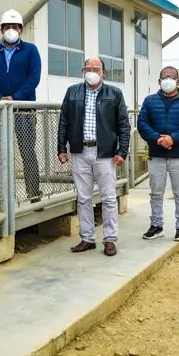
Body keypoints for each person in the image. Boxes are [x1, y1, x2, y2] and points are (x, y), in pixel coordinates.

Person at [57, 57, 130, 256]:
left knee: (108, 198)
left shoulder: (114, 93)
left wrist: (122, 151)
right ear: (82, 71)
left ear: (103, 72)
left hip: (105, 153)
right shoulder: (73, 92)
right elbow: (64, 120)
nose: (91, 71)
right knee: (83, 198)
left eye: (95, 68)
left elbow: (124, 124)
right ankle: (87, 238)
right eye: (87, 68)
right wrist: (61, 148)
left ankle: (110, 239)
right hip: (80, 151)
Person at [0, 9, 43, 210]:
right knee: (0, 154)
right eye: (7, 26)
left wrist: (15, 98)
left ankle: (34, 194)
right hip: (0, 112)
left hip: (23, 111)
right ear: (1, 29)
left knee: (27, 152)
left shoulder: (30, 50)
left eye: (14, 27)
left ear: (21, 29)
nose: (10, 30)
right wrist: (0, 99)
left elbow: (34, 78)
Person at [137, 66, 179, 242]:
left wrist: (173, 139)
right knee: (155, 193)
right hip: (156, 155)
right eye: (164, 77)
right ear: (159, 81)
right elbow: (142, 123)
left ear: (178, 81)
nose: (168, 80)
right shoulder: (150, 101)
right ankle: (156, 225)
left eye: (171, 77)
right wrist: (157, 138)